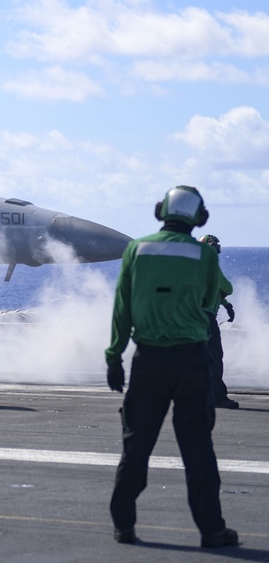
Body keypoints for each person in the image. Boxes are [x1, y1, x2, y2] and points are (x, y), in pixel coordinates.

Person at [105, 186, 237, 548]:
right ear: (199, 218)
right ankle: (211, 531)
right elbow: (211, 298)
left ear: (160, 211)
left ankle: (125, 527)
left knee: (136, 448)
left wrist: (114, 356)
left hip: (148, 361)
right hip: (192, 361)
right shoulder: (205, 256)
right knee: (198, 451)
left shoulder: (137, 249)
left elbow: (122, 307)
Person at [199, 234, 239, 409]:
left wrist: (226, 304)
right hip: (205, 317)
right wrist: (226, 297)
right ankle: (218, 398)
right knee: (215, 357)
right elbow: (227, 287)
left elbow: (212, 289)